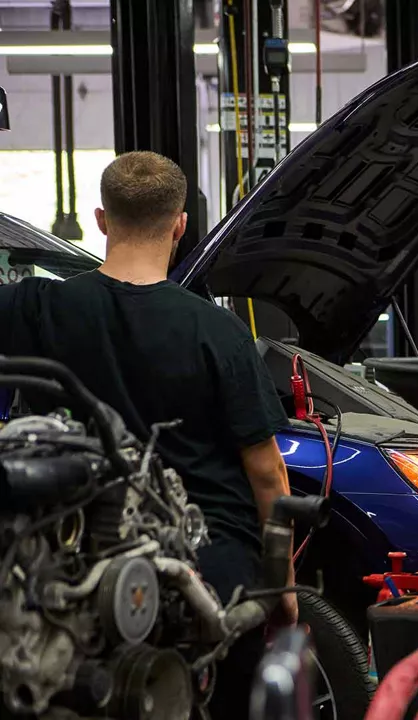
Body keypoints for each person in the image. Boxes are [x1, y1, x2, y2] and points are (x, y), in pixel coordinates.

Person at [0, 151, 295, 717]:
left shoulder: (36, 308)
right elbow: (266, 473)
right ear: (181, 224)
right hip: (210, 561)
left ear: (101, 219)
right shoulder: (220, 332)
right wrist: (280, 589)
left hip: (71, 559)